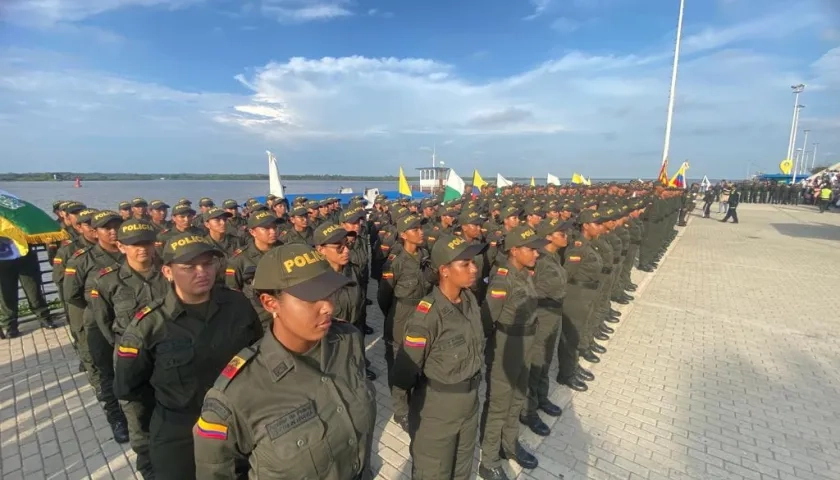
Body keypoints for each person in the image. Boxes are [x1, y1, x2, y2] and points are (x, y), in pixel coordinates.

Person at [193, 244, 377, 479]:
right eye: (312, 298)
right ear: (271, 303)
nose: (328, 306)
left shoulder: (347, 340)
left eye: (330, 293)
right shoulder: (235, 395)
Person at [113, 232, 263, 480]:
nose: (201, 272)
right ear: (168, 272)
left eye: (207, 264)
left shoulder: (237, 305)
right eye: (189, 267)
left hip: (239, 422)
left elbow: (258, 354)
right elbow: (129, 388)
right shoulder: (150, 325)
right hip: (180, 431)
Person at [391, 234, 487, 480]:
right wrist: (406, 410)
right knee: (434, 472)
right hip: (437, 410)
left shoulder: (469, 301)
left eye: (472, 262)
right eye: (465, 264)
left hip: (469, 403)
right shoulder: (427, 315)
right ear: (444, 270)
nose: (474, 268)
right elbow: (404, 372)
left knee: (462, 468)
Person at [87, 218, 168, 479]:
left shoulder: (171, 273)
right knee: (139, 419)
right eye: (134, 244)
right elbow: (106, 325)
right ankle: (149, 469)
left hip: (170, 356)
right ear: (121, 246)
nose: (141, 248)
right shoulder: (107, 282)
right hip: (132, 362)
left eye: (146, 242)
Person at [478, 225, 546, 480]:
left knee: (518, 397)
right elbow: (487, 320)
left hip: (525, 345)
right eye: (531, 249)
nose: (536, 254)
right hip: (507, 347)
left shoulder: (524, 273)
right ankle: (489, 459)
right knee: (498, 404)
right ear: (515, 251)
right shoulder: (502, 279)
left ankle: (509, 444)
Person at [64, 210, 129, 442]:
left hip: (131, 323)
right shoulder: (83, 259)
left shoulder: (130, 253)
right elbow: (72, 295)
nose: (112, 232)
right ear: (95, 231)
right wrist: (100, 308)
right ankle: (116, 418)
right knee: (105, 372)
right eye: (106, 228)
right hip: (99, 326)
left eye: (116, 227)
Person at [377, 214, 434, 431]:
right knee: (399, 362)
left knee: (421, 357)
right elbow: (384, 296)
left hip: (423, 313)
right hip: (401, 314)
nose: (421, 232)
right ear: (403, 235)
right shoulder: (395, 261)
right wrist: (394, 314)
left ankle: (418, 400)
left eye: (420, 227)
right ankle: (401, 411)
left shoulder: (425, 255)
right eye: (415, 229)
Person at [519, 218, 570, 437]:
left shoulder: (553, 257)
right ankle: (527, 411)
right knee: (535, 363)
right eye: (561, 232)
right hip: (540, 315)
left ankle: (541, 397)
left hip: (553, 315)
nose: (566, 235)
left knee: (545, 360)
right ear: (548, 236)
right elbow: (528, 291)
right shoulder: (536, 260)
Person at [313, 222, 376, 380]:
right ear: (321, 250)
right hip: (330, 341)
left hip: (354, 329)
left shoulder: (352, 270)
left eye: (347, 244)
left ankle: (359, 367)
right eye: (338, 247)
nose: (346, 250)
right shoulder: (313, 281)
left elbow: (359, 301)